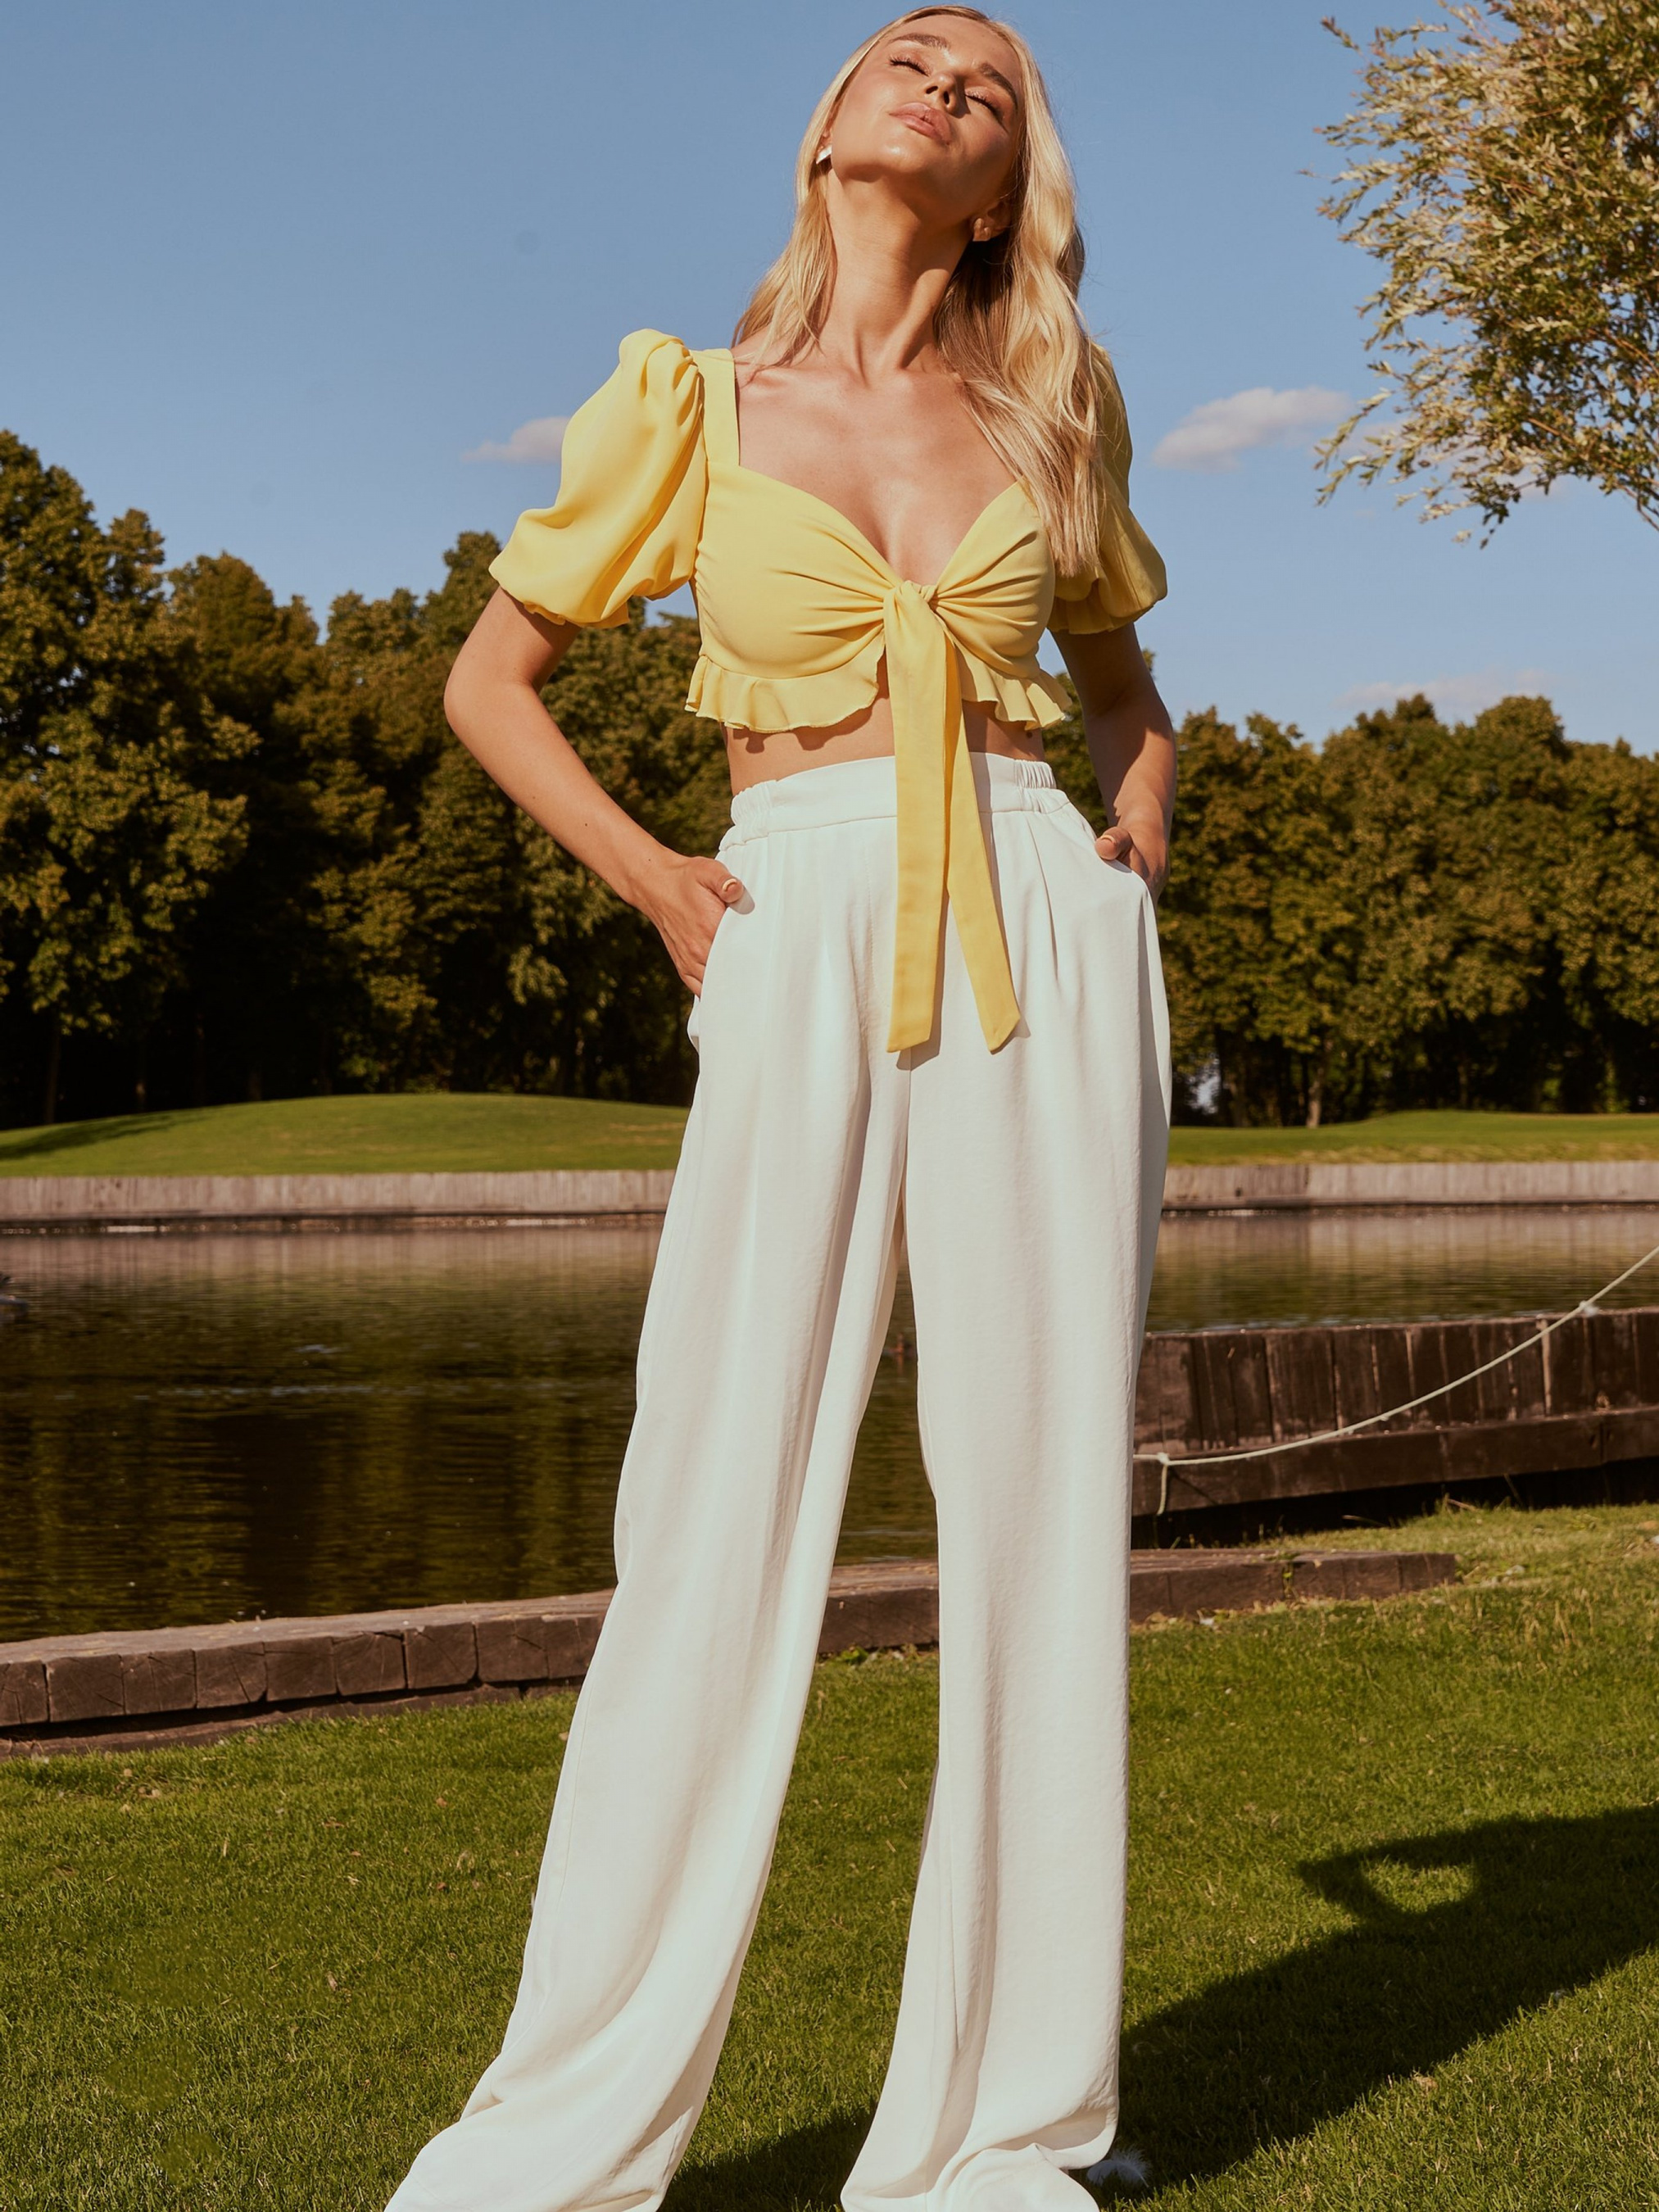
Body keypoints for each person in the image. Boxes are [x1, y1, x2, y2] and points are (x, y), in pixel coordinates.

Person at [388, 10, 1174, 2209]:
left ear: (1006, 195)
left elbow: (1124, 686)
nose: (944, 78)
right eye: (909, 54)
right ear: (830, 129)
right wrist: (655, 881)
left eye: (989, 82)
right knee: (710, 1506)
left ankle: (1007, 2132)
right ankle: (561, 2135)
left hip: (1036, 920)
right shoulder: (692, 401)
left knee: (1041, 1517)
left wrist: (1130, 842)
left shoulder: (1051, 408)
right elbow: (490, 682)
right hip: (794, 897)